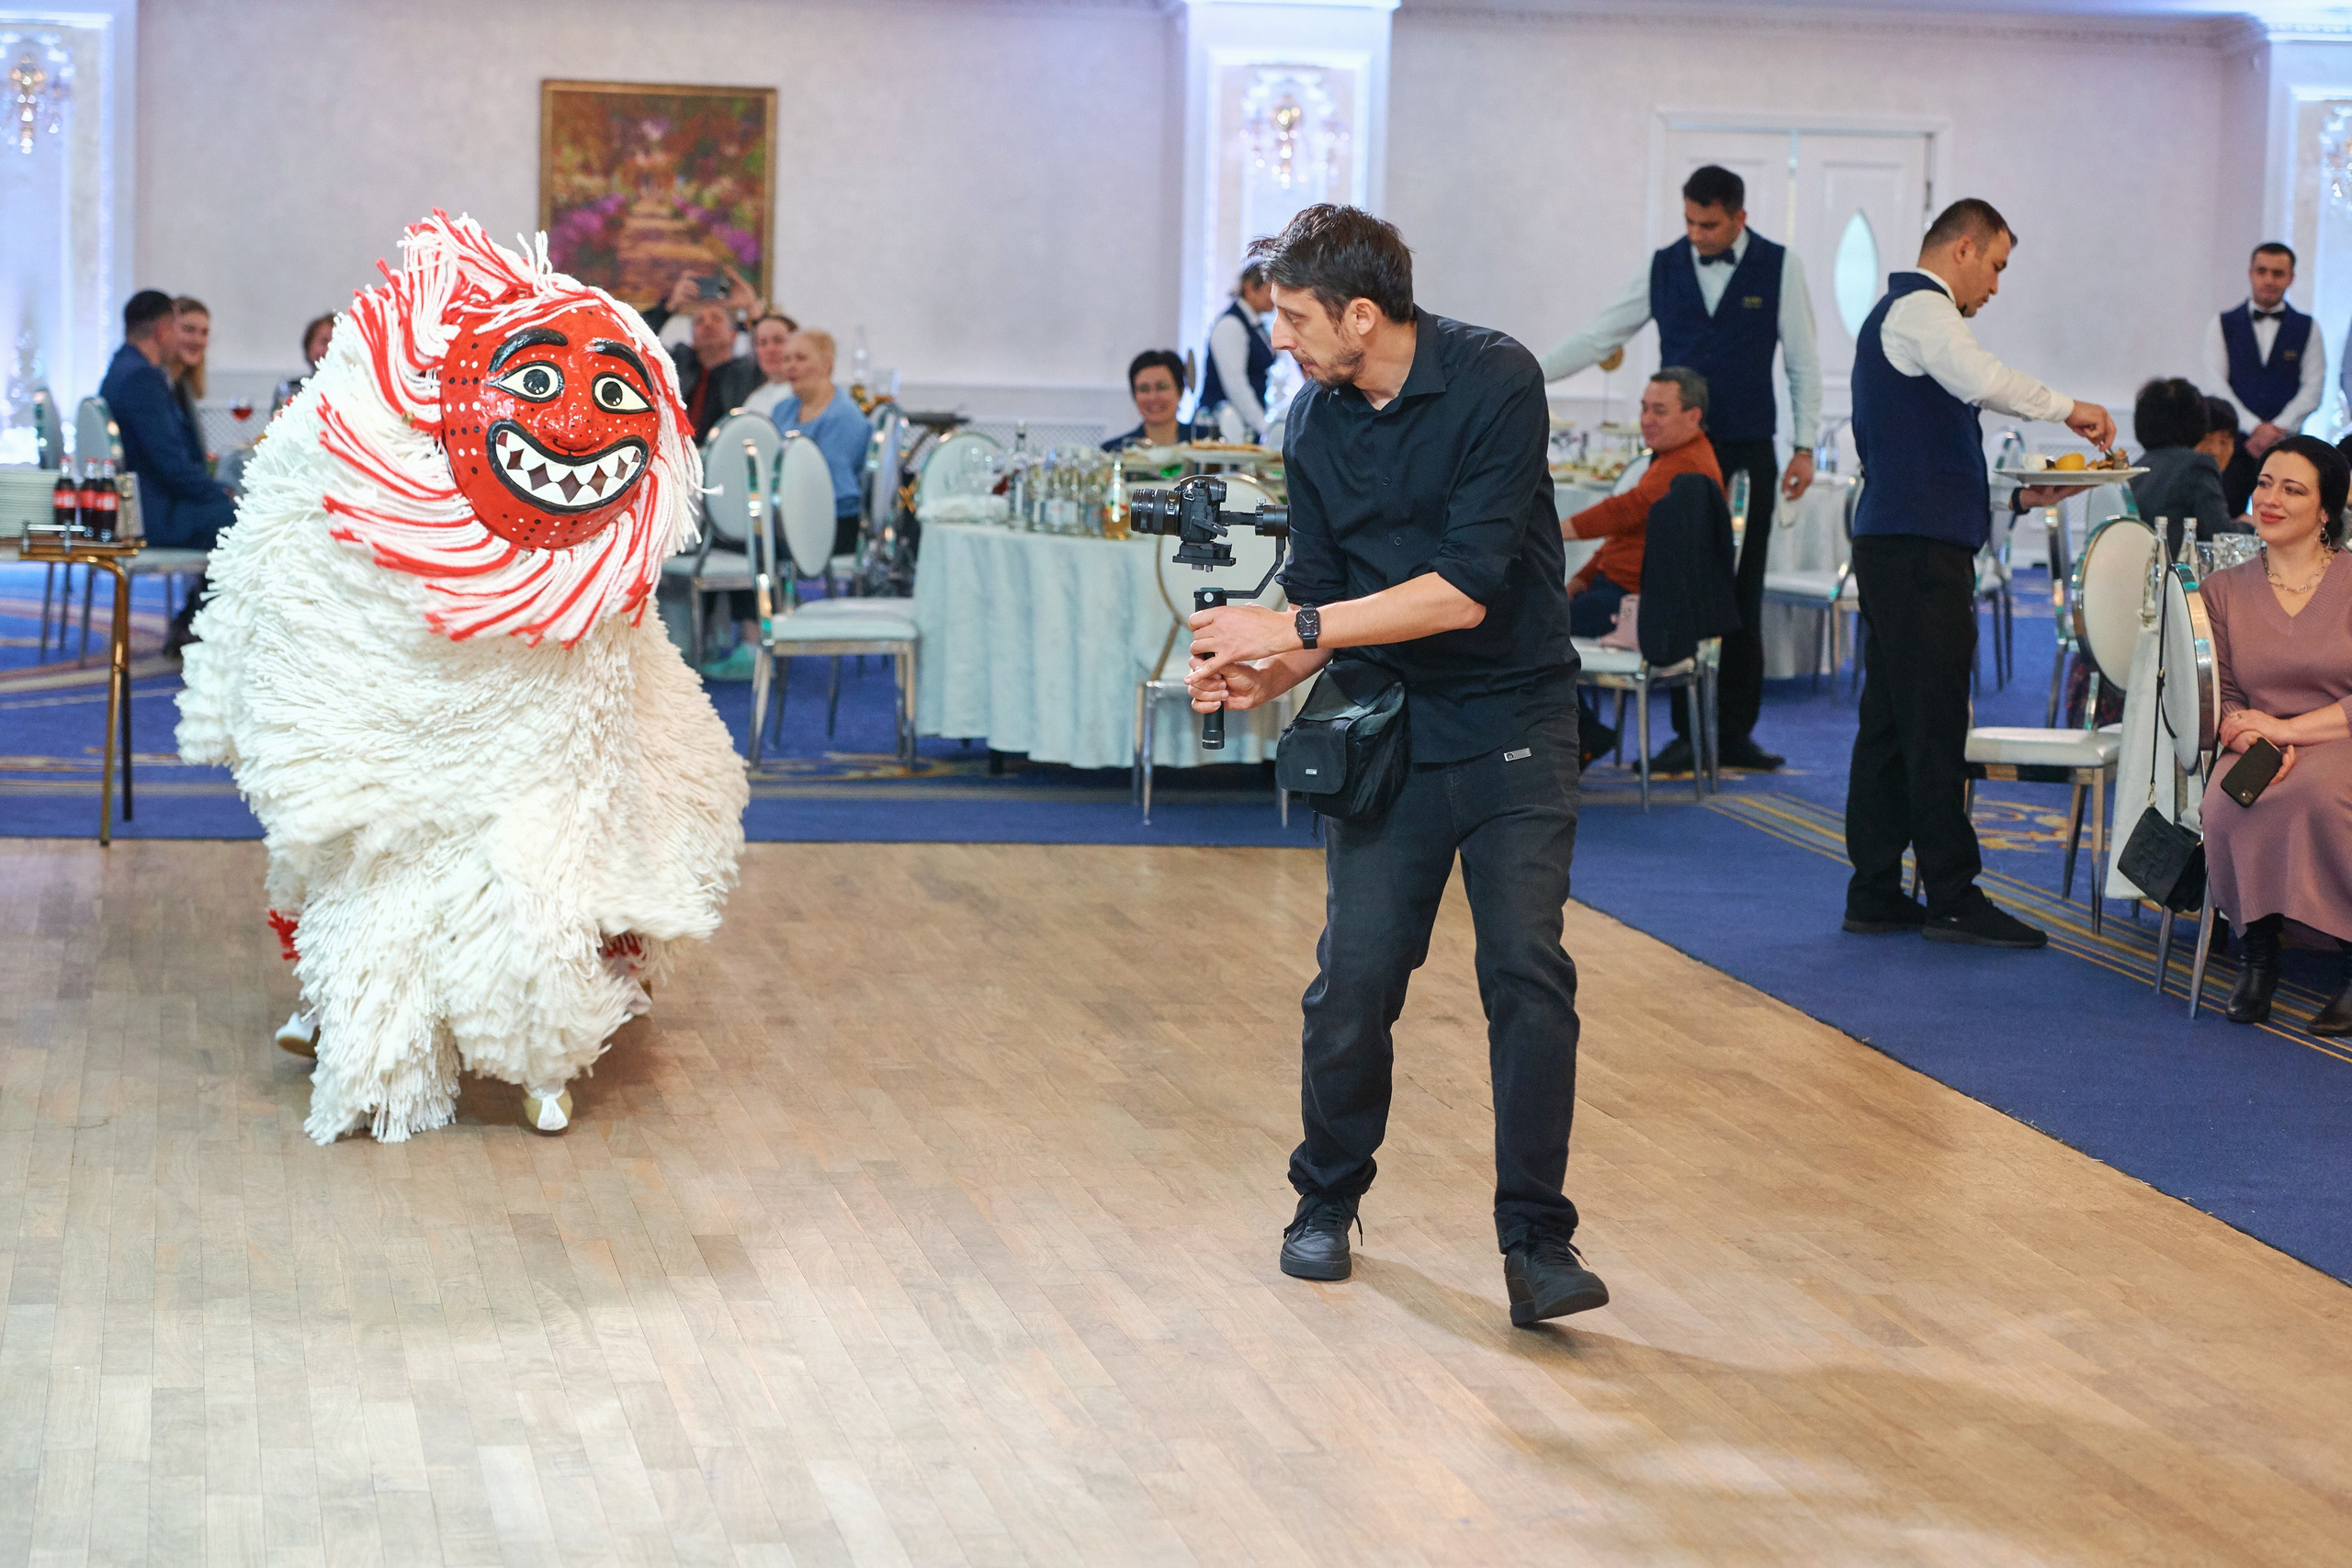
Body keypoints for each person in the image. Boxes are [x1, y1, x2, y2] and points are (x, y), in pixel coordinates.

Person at [1181, 204, 1607, 1330]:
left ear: (1361, 315)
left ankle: (1537, 1241)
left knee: (1527, 973)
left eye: (1292, 319)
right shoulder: (1312, 424)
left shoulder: (1495, 379)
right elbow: (1328, 607)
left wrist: (1290, 633)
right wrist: (1258, 675)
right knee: (1355, 982)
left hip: (1515, 717)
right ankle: (1323, 1200)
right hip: (1388, 727)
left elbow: (1463, 590)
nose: (1278, 338)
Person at [1841, 197, 2113, 949]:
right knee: (1932, 723)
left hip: (1904, 542)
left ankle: (1874, 889)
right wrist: (2070, 408)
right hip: (1916, 552)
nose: (1995, 285)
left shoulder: (1909, 320)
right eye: (1995, 265)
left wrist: (2024, 497)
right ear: (1962, 248)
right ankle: (1952, 895)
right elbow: (1982, 376)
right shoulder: (1921, 311)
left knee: (1894, 722)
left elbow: (1933, 459)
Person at [1540, 164, 1821, 775]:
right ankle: (1685, 734)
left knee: (1739, 593)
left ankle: (1733, 731)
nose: (1697, 233)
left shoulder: (1780, 265)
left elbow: (1802, 361)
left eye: (1710, 224)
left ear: (1740, 218)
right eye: (1690, 221)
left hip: (1747, 450)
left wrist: (1805, 445)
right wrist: (1529, 370)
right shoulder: (1664, 265)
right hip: (1678, 455)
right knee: (1673, 588)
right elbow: (1599, 334)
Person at [2199, 436, 2352, 1033]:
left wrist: (2285, 729)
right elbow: (2223, 696)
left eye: (2293, 489)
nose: (2271, 499)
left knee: (2319, 796)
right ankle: (2257, 955)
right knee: (2230, 798)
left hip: (2336, 736)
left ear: (2326, 510)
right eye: (2265, 483)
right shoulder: (2223, 591)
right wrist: (2244, 735)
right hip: (2260, 743)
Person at [1562, 367, 1721, 759]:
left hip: (1635, 606)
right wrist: (1579, 580)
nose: (1647, 420)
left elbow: (1626, 510)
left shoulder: (1688, 467)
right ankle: (1575, 737)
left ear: (1693, 417)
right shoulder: (1668, 458)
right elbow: (1625, 537)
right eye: (1644, 409)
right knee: (1528, 622)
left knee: (1520, 631)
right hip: (1616, 593)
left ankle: (1579, 737)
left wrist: (1556, 527)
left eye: (1660, 411)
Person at [100, 289, 236, 649]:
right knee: (248, 523)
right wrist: (221, 492)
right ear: (162, 329)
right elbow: (171, 465)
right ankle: (203, 627)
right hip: (151, 516)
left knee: (233, 512)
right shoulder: (142, 380)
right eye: (178, 327)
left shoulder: (121, 368)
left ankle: (196, 620)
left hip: (143, 504)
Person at [2206, 243, 2324, 463]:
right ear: (2250, 274)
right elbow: (2216, 386)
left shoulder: (2308, 327)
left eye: (2278, 273)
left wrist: (2278, 428)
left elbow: (2313, 388)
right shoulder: (2221, 324)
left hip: (2288, 447)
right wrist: (2254, 428)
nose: (2269, 280)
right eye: (2262, 271)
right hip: (2233, 447)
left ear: (2291, 278)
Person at [2129, 378, 2239, 558]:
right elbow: (2220, 535)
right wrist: (2249, 524)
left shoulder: (2137, 467)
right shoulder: (2197, 464)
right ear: (2198, 421)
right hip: (2177, 576)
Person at [1197, 263, 1278, 439]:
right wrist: (1263, 428)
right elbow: (1235, 384)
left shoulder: (1257, 325)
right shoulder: (1230, 325)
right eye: (1269, 289)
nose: (1275, 296)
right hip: (1223, 428)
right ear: (1250, 288)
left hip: (1245, 424)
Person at [674, 299, 763, 443]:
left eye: (716, 319)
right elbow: (638, 345)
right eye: (699, 321)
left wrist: (752, 307)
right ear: (692, 338)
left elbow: (769, 352)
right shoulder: (678, 366)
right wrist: (666, 308)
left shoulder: (746, 372)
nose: (708, 324)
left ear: (733, 335)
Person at [1102, 350, 1204, 450]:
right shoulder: (1113, 451)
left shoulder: (1207, 444)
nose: (1153, 397)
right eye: (1144, 389)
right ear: (1134, 395)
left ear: (1180, 391)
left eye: (1162, 387)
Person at [738, 311, 802, 420]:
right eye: (762, 342)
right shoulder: (754, 401)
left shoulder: (806, 395)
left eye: (778, 340)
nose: (770, 349)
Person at [274, 313, 337, 409]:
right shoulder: (289, 389)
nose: (330, 348)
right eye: (324, 341)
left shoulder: (357, 391)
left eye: (336, 341)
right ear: (309, 348)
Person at [169, 296, 210, 441]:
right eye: (189, 330)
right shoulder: (157, 385)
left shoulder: (183, 385)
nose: (198, 340)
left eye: (204, 333)